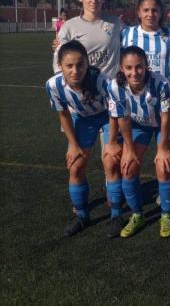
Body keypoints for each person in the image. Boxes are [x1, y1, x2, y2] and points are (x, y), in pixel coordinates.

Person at [45, 40, 121, 237]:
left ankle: (116, 215)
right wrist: (73, 144)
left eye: (80, 64)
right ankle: (81, 216)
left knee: (111, 162)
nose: (75, 70)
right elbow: (64, 115)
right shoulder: (54, 85)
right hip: (82, 119)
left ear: (87, 63)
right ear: (60, 66)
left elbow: (114, 113)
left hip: (106, 117)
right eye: (69, 66)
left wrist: (112, 142)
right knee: (76, 165)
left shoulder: (102, 81)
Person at [106, 46, 170, 238]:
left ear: (146, 65)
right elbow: (123, 119)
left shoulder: (160, 83)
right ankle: (137, 214)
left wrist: (162, 147)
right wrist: (128, 149)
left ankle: (166, 215)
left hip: (163, 125)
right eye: (128, 68)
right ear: (121, 67)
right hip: (138, 126)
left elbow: (166, 116)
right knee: (128, 167)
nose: (134, 72)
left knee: (164, 165)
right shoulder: (115, 86)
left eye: (139, 67)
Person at [53, 0, 122, 78]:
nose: (94, 0)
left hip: (110, 89)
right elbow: (58, 60)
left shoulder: (116, 23)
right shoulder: (69, 27)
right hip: (84, 89)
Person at [121, 0, 170, 76]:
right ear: (139, 13)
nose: (150, 14)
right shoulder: (126, 33)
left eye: (154, 10)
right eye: (146, 10)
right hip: (134, 88)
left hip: (164, 88)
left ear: (161, 13)